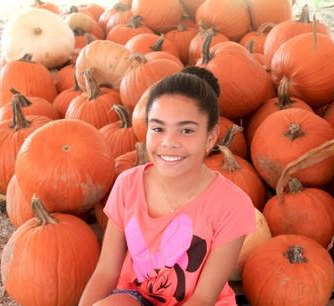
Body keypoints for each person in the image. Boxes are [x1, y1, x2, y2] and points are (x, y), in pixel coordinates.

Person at [79, 67, 256, 306]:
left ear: (211, 137)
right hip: (138, 297)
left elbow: (204, 298)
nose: (169, 142)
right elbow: (105, 273)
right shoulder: (128, 185)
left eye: (187, 130)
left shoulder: (232, 205)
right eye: (158, 128)